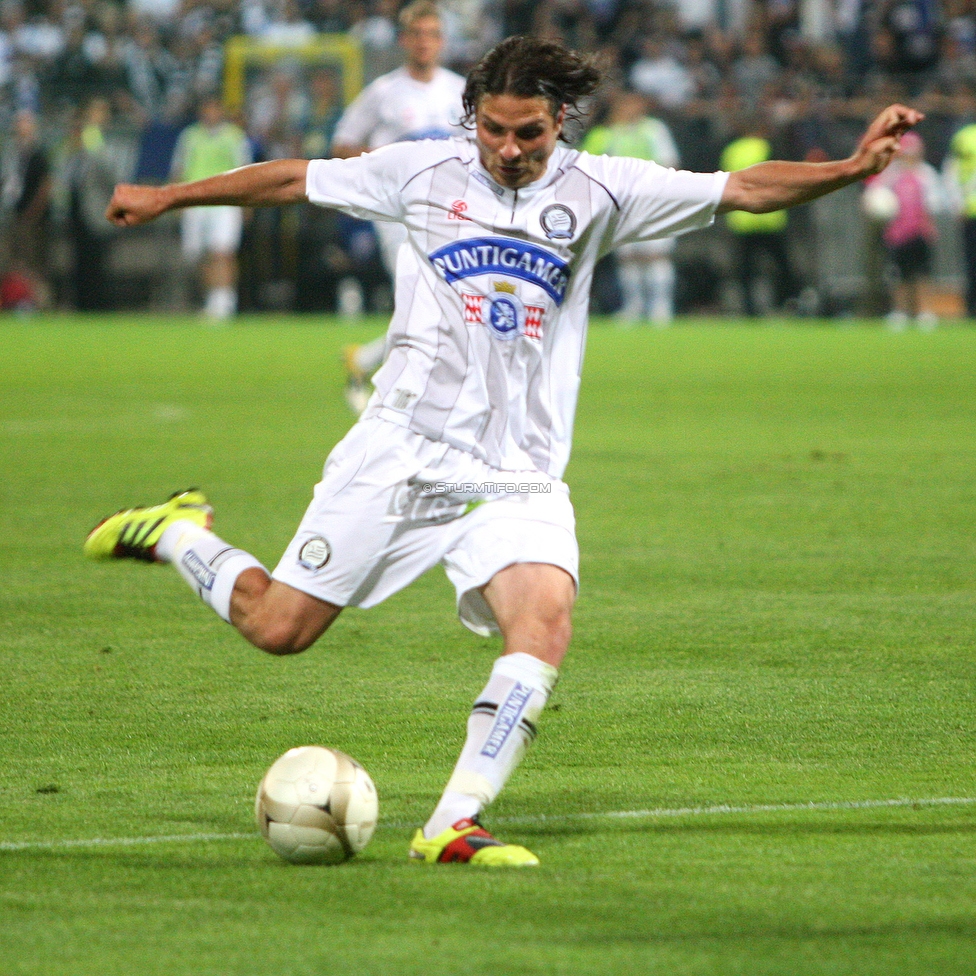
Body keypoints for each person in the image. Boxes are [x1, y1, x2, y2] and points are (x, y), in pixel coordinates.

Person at [89, 36, 921, 867]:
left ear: (561, 120)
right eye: (494, 130)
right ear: (472, 120)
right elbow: (291, 178)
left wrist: (850, 168)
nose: (511, 150)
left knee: (545, 619)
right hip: (404, 450)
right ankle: (177, 531)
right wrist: (170, 196)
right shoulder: (420, 172)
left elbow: (743, 187)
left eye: (529, 133)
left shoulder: (602, 189)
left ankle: (453, 821)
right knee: (279, 628)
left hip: (517, 469)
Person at [330, 0, 467, 412]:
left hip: (448, 209)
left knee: (443, 299)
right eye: (417, 34)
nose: (424, 43)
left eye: (432, 34)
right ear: (405, 40)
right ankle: (402, 391)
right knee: (420, 296)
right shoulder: (384, 91)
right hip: (398, 211)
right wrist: (389, 159)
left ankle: (367, 359)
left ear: (442, 41)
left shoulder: (460, 91)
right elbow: (343, 145)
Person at [581, 90, 681, 325]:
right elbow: (594, 165)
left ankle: (660, 308)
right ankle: (633, 307)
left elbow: (669, 162)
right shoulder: (610, 133)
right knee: (629, 257)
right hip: (622, 205)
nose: (628, 109)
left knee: (657, 255)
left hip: (653, 202)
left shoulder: (653, 130)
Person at [170, 94, 252, 320]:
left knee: (223, 251)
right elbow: (180, 169)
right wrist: (176, 199)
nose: (211, 113)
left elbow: (245, 170)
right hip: (196, 202)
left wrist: (246, 204)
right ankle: (211, 300)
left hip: (226, 202)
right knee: (199, 254)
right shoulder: (189, 136)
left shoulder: (234, 137)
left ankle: (225, 302)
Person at [720, 117, 802, 317]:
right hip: (769, 217)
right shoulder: (767, 147)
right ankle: (787, 303)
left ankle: (749, 310)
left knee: (746, 269)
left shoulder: (732, 150)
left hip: (742, 219)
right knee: (782, 266)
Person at [863, 130, 945, 328]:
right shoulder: (892, 174)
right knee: (898, 275)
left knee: (923, 273)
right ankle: (900, 311)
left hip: (919, 232)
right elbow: (877, 196)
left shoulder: (927, 174)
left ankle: (925, 310)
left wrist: (929, 226)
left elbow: (933, 203)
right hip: (897, 233)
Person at [943, 120, 976, 318]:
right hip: (970, 212)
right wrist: (957, 203)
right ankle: (972, 306)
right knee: (972, 262)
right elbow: (952, 170)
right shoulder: (964, 136)